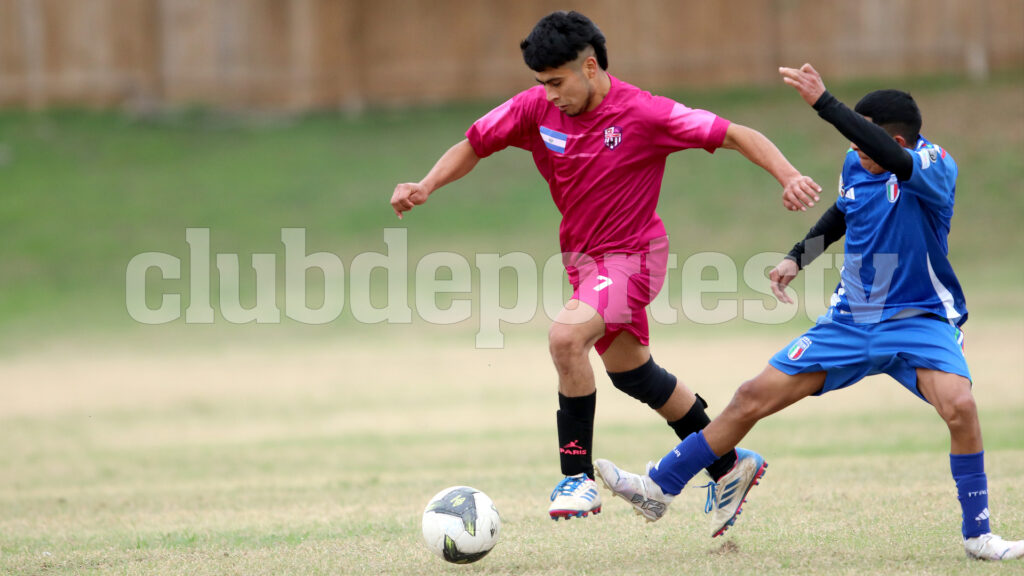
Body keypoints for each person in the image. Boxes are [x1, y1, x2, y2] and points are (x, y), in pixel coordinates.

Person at [390, 11, 821, 535]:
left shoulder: (644, 113)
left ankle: (575, 477)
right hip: (584, 262)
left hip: (635, 257)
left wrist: (790, 174)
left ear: (590, 67)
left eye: (556, 82)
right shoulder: (537, 108)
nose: (548, 95)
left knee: (565, 339)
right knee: (633, 374)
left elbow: (734, 134)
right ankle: (729, 464)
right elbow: (475, 143)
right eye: (539, 83)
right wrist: (427, 184)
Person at [595, 63, 1024, 561]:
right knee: (751, 396)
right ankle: (659, 488)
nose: (856, 153)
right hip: (850, 321)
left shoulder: (932, 167)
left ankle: (978, 535)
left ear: (901, 143)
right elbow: (845, 210)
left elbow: (884, 153)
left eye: (866, 144)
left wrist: (826, 103)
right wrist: (797, 257)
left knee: (961, 407)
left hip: (919, 320)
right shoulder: (855, 164)